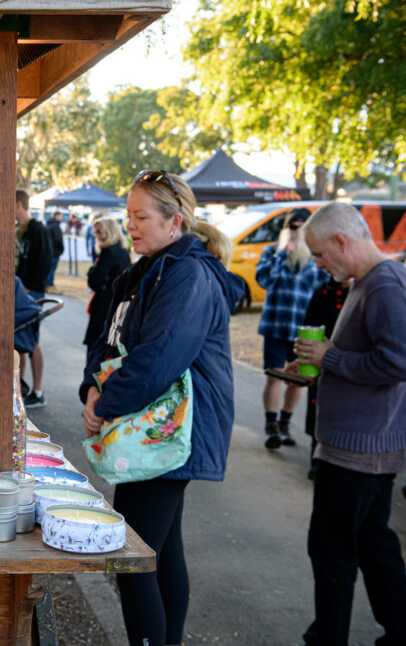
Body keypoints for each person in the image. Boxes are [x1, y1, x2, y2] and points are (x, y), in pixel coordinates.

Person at [80, 170, 243, 646]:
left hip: (170, 432)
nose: (131, 225)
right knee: (161, 550)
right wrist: (92, 388)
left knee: (132, 557)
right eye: (128, 216)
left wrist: (106, 404)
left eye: (141, 216)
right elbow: (104, 340)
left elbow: (160, 356)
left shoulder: (188, 274)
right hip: (147, 428)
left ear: (175, 223)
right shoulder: (141, 270)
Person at [288, 201, 406, 646]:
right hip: (370, 441)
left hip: (361, 446)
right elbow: (377, 357)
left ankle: (327, 638)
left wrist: (331, 357)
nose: (321, 266)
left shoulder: (383, 285)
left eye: (322, 255)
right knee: (374, 543)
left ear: (342, 241)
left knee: (332, 550)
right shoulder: (377, 281)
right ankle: (400, 635)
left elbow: (403, 361)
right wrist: (325, 362)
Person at [256, 208, 327, 449]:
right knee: (275, 375)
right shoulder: (271, 252)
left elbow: (322, 289)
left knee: (297, 379)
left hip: (302, 329)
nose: (297, 232)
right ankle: (271, 425)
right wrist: (281, 257)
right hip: (276, 325)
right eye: (293, 227)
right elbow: (263, 280)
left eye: (301, 227)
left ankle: (285, 422)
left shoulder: (314, 258)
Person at [301, 276, 351, 480]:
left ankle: (333, 457)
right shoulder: (322, 291)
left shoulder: (358, 294)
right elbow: (309, 324)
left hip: (344, 363)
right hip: (319, 361)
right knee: (316, 406)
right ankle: (316, 458)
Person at [14, 190, 53, 408]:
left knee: (32, 341)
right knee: (19, 341)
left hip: (31, 292)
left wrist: (30, 286)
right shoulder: (18, 230)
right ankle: (18, 388)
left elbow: (46, 260)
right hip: (17, 290)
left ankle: (37, 391)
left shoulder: (37, 230)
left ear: (19, 204)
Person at [83, 215, 132, 349]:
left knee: (96, 349)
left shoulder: (108, 253)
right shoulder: (123, 251)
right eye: (95, 231)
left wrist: (92, 271)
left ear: (109, 232)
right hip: (118, 305)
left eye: (99, 231)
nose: (96, 235)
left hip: (105, 306)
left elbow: (95, 282)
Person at [45, 210, 65, 289]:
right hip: (54, 251)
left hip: (49, 251)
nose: (62, 218)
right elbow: (58, 239)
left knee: (49, 269)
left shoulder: (48, 225)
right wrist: (61, 249)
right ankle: (50, 285)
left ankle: (48, 284)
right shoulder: (55, 226)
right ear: (56, 216)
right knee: (51, 269)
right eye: (60, 216)